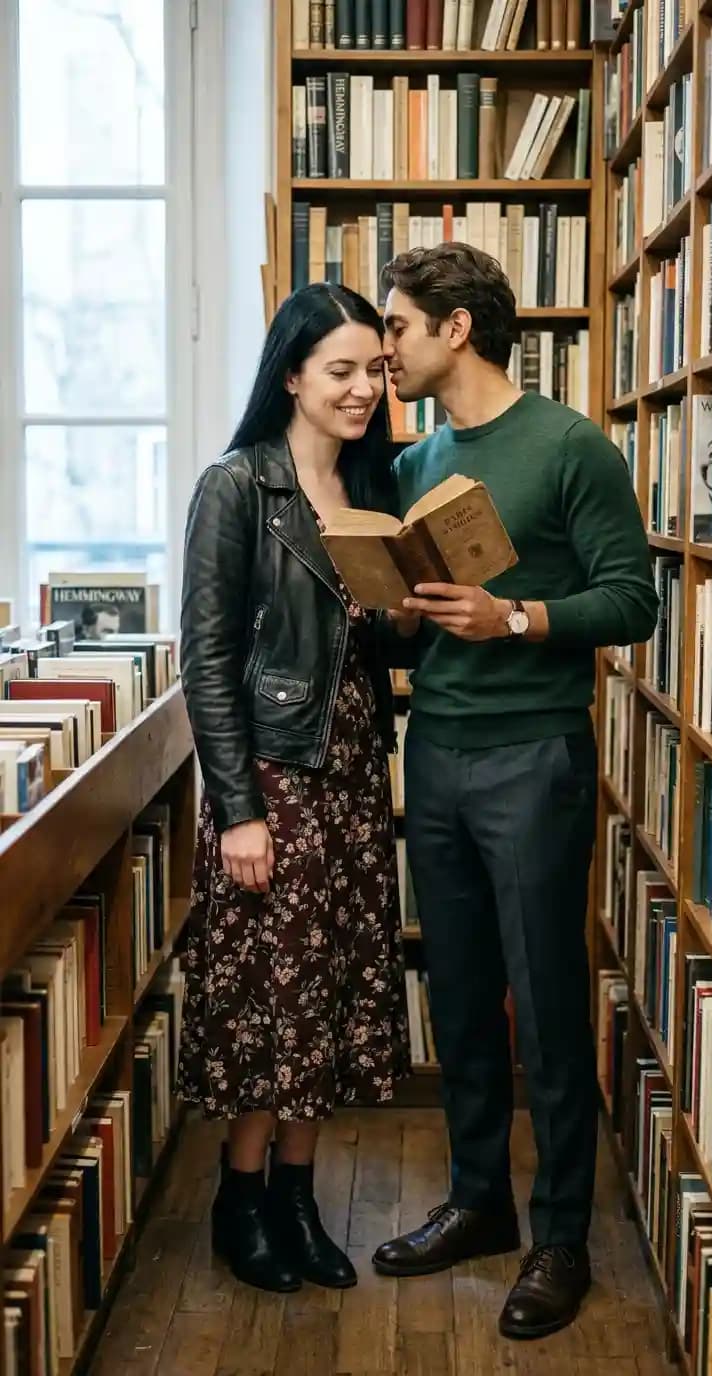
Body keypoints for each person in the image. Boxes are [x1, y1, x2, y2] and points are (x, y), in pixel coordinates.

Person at [371, 244, 658, 1340]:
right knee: (458, 993)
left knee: (544, 1002)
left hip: (534, 755)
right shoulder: (416, 459)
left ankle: (561, 1236)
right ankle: (479, 1199)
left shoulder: (571, 446)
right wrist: (402, 610)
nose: (386, 345)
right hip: (434, 749)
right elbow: (427, 604)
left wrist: (519, 617)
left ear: (455, 328)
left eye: (398, 325)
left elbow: (632, 599)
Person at [178, 282, 410, 1295]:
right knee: (264, 1005)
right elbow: (210, 657)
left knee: (331, 996)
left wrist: (414, 601)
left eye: (374, 369)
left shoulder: (377, 485)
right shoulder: (237, 486)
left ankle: (299, 1199)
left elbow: (382, 643)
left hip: (354, 775)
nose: (364, 389)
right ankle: (241, 1200)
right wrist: (238, 809)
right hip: (273, 775)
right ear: (291, 375)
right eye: (341, 371)